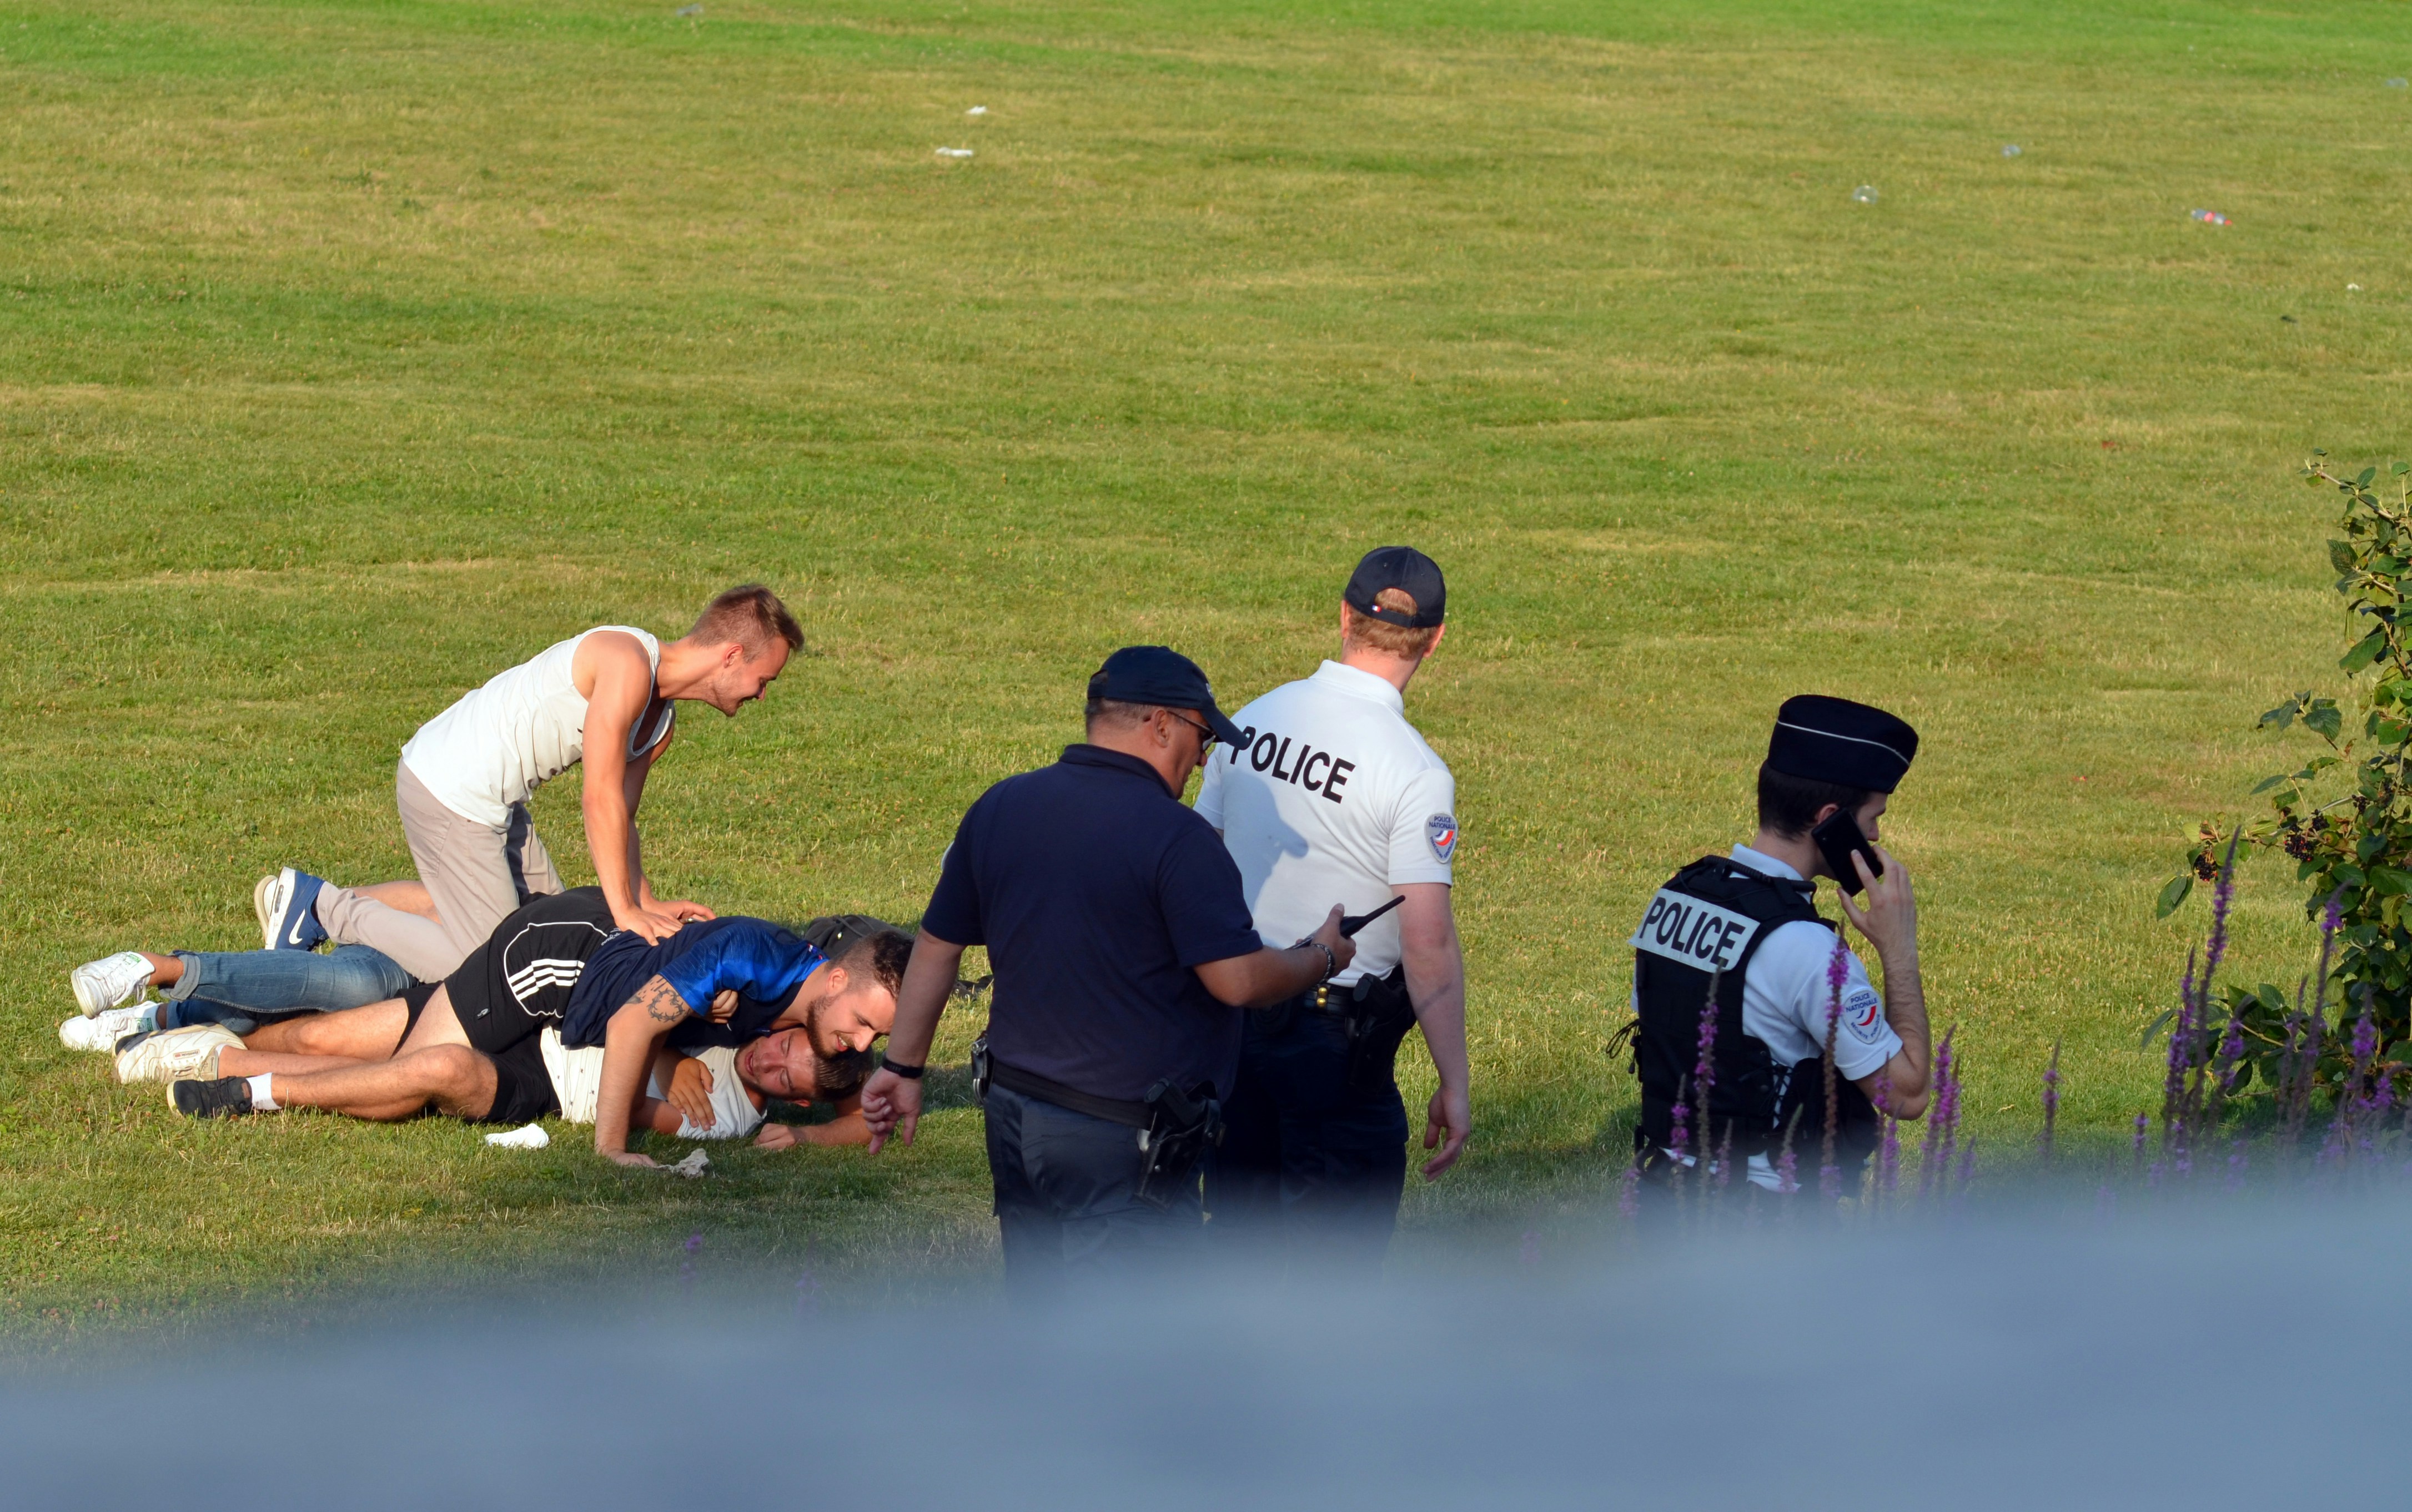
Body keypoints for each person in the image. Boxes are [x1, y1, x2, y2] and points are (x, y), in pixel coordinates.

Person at [860, 646, 1359, 1292]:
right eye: (1203, 737)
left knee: (1040, 1313)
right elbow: (1236, 980)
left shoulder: (1003, 806)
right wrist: (1320, 957)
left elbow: (936, 944)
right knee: (1134, 1338)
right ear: (1162, 724)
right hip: (1120, 1140)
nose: (1203, 759)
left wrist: (902, 1069)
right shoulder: (1179, 840)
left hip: (1014, 1115)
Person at [255, 585, 804, 985]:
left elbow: (622, 816)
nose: (762, 695)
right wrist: (625, 911)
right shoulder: (626, 662)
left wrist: (646, 902)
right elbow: (598, 798)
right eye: (765, 680)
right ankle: (322, 907)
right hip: (449, 788)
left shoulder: (660, 726)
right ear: (731, 656)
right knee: (497, 968)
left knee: (552, 933)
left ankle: (302, 902)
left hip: (497, 802)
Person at [164, 888, 908, 1165]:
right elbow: (630, 1025)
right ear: (835, 979)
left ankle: (196, 1037)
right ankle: (213, 1057)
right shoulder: (752, 956)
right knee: (400, 1082)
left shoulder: (822, 1027)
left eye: (874, 1039)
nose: (861, 1044)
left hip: (567, 1024)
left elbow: (867, 1113)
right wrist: (613, 1149)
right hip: (551, 967)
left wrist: (809, 1137)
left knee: (340, 1040)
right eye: (863, 1025)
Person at [1197, 546, 1473, 1267]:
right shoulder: (1415, 773)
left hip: (1230, 1024)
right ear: (1436, 639)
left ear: (1345, 617)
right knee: (1332, 1286)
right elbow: (1427, 943)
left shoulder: (1250, 721)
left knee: (1235, 1259)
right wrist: (1454, 1080)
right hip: (1333, 1052)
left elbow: (1195, 865)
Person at [1624, 695, 1932, 1203]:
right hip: (1763, 1222)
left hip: (1659, 1200)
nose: (1877, 834)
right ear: (1830, 819)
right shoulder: (1808, 950)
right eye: (1873, 818)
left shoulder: (1675, 899)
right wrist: (1899, 951)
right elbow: (1908, 1094)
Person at [61, 941, 414, 1050]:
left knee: (253, 1020)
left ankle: (158, 1019)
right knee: (365, 989)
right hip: (406, 958)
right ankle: (162, 968)